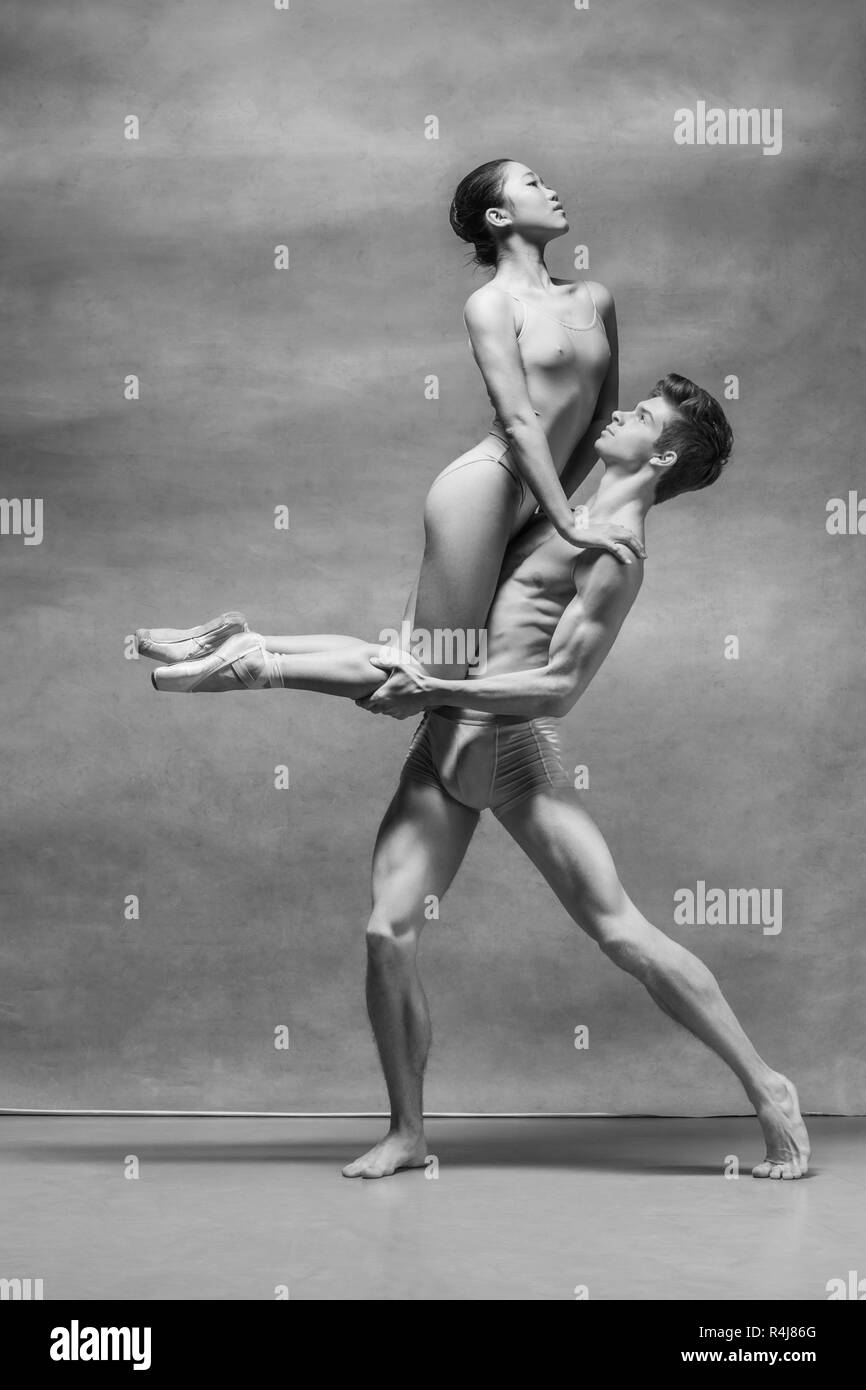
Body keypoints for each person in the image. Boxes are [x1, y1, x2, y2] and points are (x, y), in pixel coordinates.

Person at [136, 373, 811, 1183]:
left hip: (506, 751)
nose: (624, 413)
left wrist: (438, 688)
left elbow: (559, 686)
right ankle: (408, 1133)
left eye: (643, 417)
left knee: (622, 931)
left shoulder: (615, 554)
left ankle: (770, 1091)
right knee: (387, 935)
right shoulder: (567, 508)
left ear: (661, 454)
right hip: (442, 743)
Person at [137, 158, 639, 678]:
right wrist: (566, 523)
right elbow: (517, 419)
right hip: (487, 488)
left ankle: (236, 643)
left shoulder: (595, 298)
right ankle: (247, 665)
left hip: (529, 497)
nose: (553, 190)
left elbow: (601, 417)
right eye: (533, 183)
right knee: (431, 670)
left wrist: (547, 510)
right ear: (498, 215)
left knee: (409, 660)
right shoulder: (490, 304)